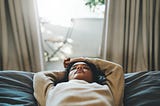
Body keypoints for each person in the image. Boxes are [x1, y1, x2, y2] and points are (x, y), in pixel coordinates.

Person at [33, 57, 124, 106]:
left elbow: (116, 69)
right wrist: (66, 73)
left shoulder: (106, 89)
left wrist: (82, 59)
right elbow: (39, 76)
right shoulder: (54, 90)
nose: (80, 67)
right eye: (74, 68)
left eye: (86, 68)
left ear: (94, 75)